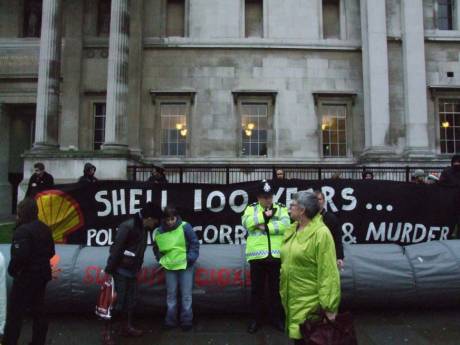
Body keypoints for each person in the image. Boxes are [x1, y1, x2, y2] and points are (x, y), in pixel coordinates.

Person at [280, 191, 341, 344]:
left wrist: (329, 308)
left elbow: (328, 273)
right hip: (294, 301)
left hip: (311, 306)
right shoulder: (293, 230)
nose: (289, 209)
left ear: (303, 210)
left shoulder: (321, 234)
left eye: (292, 205)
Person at [103, 202, 162, 344]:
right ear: (148, 218)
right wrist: (109, 270)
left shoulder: (143, 227)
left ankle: (126, 327)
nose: (155, 225)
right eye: (155, 221)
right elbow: (116, 249)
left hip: (133, 271)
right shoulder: (127, 226)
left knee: (130, 302)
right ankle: (106, 333)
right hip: (120, 272)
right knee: (116, 304)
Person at [3, 198, 55, 345]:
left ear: (22, 212)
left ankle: (10, 341)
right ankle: (38, 341)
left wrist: (12, 270)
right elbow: (51, 252)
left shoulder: (22, 231)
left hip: (26, 276)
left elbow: (20, 256)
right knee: (39, 310)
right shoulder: (45, 228)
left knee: (15, 313)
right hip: (42, 275)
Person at [242, 180, 290, 333]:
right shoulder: (251, 209)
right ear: (258, 197)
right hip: (257, 257)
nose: (268, 200)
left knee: (276, 291)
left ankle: (277, 319)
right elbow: (247, 222)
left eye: (270, 197)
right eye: (264, 197)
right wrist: (264, 215)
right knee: (257, 291)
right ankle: (255, 320)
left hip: (276, 256)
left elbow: (286, 225)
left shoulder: (281, 208)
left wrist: (266, 227)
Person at [152, 205, 199, 332]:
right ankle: (170, 321)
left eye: (172, 219)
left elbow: (195, 243)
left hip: (186, 266)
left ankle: (186, 321)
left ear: (176, 217)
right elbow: (156, 247)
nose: (170, 222)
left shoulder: (185, 226)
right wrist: (160, 259)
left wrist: (190, 259)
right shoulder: (160, 231)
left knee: (186, 295)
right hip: (170, 266)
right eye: (168, 220)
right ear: (164, 220)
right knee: (171, 294)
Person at [315, 190, 344, 269]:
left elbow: (337, 239)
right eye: (314, 199)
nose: (317, 202)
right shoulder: (306, 218)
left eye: (319, 199)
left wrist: (339, 257)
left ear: (324, 201)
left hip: (326, 256)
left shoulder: (331, 218)